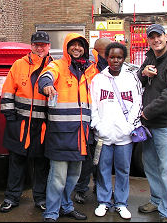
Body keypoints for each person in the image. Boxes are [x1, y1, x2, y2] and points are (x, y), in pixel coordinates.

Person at [38, 33, 97, 222]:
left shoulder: (90, 70)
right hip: (61, 133)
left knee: (74, 176)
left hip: (81, 134)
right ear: (66, 47)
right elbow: (46, 76)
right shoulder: (57, 65)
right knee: (57, 177)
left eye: (81, 45)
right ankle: (51, 212)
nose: (77, 48)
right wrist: (46, 84)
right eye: (73, 45)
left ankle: (66, 206)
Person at [0, 31, 53, 213]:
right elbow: (7, 93)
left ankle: (40, 198)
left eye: (43, 45)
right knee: (16, 162)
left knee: (41, 164)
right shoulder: (18, 65)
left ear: (48, 47)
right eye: (36, 44)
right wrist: (11, 118)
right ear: (31, 46)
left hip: (43, 125)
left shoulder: (54, 67)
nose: (39, 48)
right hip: (20, 123)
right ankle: (11, 198)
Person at [90, 42, 143, 220]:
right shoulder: (98, 80)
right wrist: (98, 125)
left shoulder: (132, 78)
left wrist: (129, 127)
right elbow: (93, 106)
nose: (115, 60)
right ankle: (104, 202)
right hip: (103, 136)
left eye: (119, 57)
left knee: (122, 170)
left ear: (124, 58)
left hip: (125, 137)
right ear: (106, 58)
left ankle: (121, 203)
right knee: (103, 170)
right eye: (112, 57)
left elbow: (138, 104)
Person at [136, 24, 167, 223]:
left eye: (159, 36)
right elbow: (137, 81)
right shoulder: (149, 57)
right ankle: (156, 200)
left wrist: (146, 112)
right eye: (152, 37)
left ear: (166, 37)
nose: (156, 40)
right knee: (150, 165)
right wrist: (143, 74)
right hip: (147, 125)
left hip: (165, 124)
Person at [73, 37, 111, 204]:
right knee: (90, 157)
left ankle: (95, 187)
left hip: (95, 118)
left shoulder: (100, 63)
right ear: (103, 50)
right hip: (91, 118)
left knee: (96, 157)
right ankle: (83, 189)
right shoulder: (93, 64)